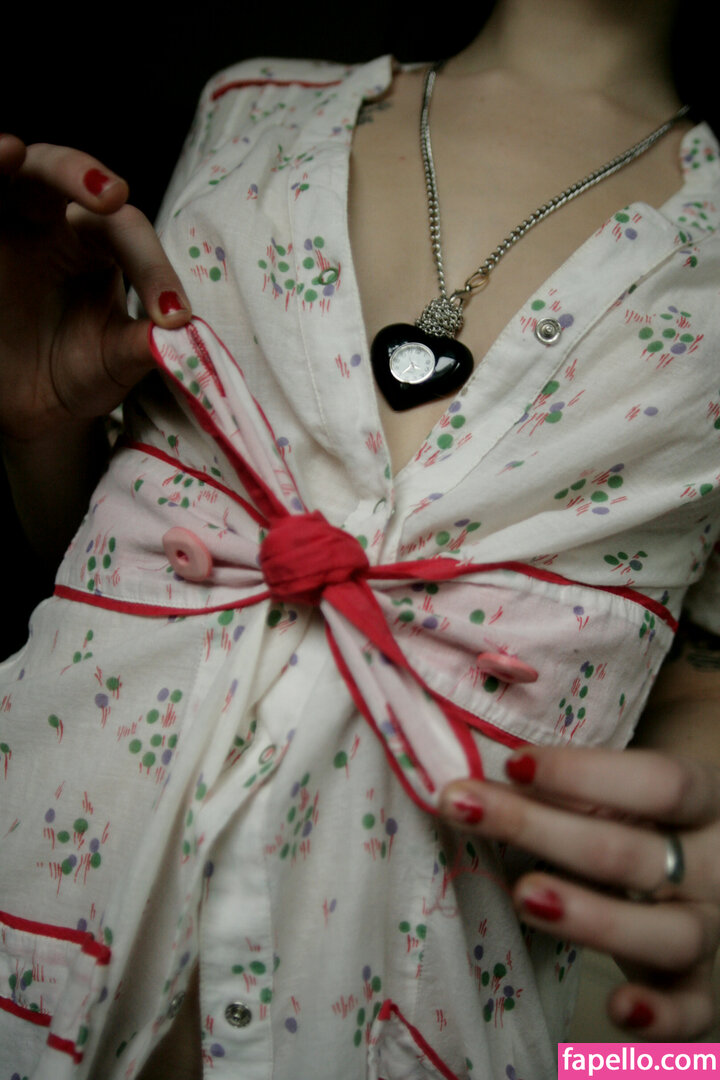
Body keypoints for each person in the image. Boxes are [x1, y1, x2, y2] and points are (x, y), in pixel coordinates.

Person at [1, 1, 720, 1077]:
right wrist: (36, 430)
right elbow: (114, 554)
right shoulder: (251, 113)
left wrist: (682, 1007)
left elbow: (692, 677)